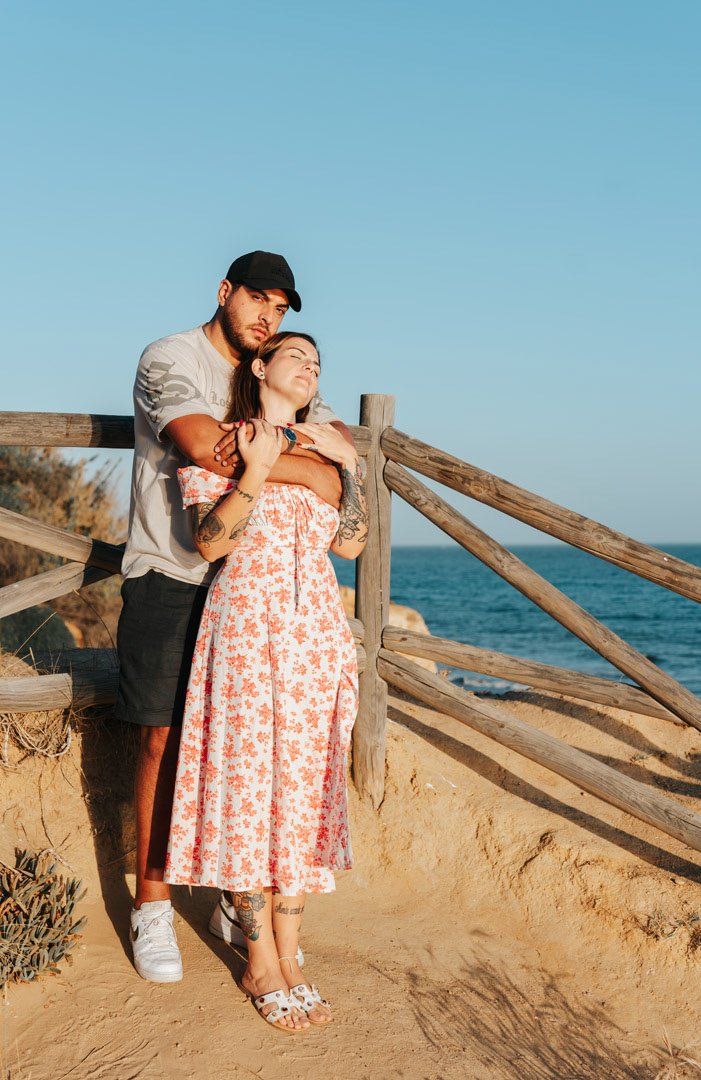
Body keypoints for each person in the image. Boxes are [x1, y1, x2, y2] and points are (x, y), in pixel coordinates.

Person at [117, 252, 352, 983]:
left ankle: (232, 895)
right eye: (258, 300)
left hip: (255, 597)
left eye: (279, 309)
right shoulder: (171, 358)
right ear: (225, 293)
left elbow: (334, 462)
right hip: (174, 569)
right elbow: (202, 445)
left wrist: (284, 455)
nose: (267, 317)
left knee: (243, 751)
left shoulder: (281, 364)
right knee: (163, 738)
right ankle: (153, 903)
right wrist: (305, 464)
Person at [164, 332, 367, 1030]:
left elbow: (351, 543)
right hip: (247, 630)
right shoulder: (226, 442)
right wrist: (257, 469)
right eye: (296, 356)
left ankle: (290, 951)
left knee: (302, 793)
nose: (310, 367)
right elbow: (211, 543)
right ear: (259, 366)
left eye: (318, 362)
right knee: (247, 789)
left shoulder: (328, 448)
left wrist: (347, 467)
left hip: (315, 640)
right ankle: (260, 960)